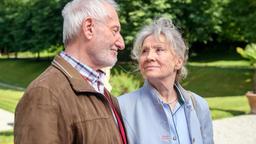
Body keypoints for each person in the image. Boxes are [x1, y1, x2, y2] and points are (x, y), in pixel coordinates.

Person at [14, 0, 127, 144]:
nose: (121, 43)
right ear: (89, 28)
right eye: (115, 30)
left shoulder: (103, 92)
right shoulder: (44, 93)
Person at [118, 17, 213, 144]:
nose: (149, 57)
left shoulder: (199, 106)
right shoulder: (122, 107)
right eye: (144, 51)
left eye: (159, 50)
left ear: (178, 61)